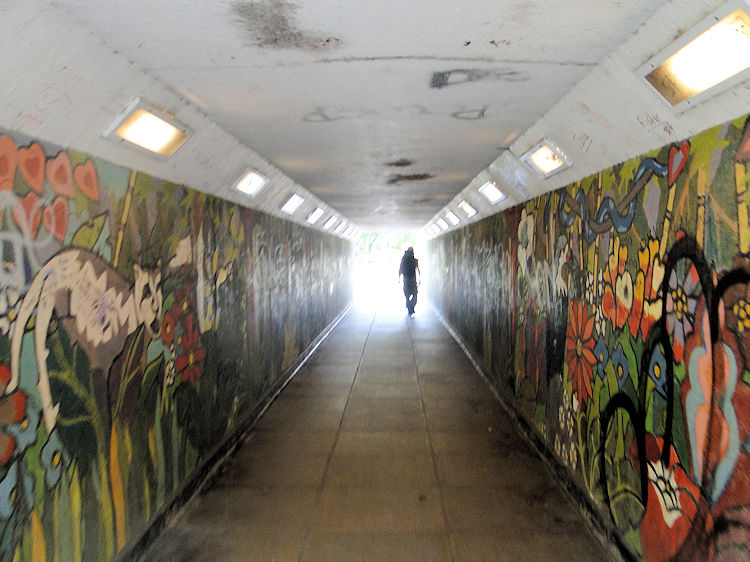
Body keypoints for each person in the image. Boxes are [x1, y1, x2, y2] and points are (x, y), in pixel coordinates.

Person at [398, 247, 420, 316]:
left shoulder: (403, 260)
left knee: (407, 295)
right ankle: (411, 307)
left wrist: (399, 278)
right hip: (413, 280)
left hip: (406, 280)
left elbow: (400, 269)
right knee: (415, 295)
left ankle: (409, 307)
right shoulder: (415, 260)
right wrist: (419, 278)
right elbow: (418, 270)